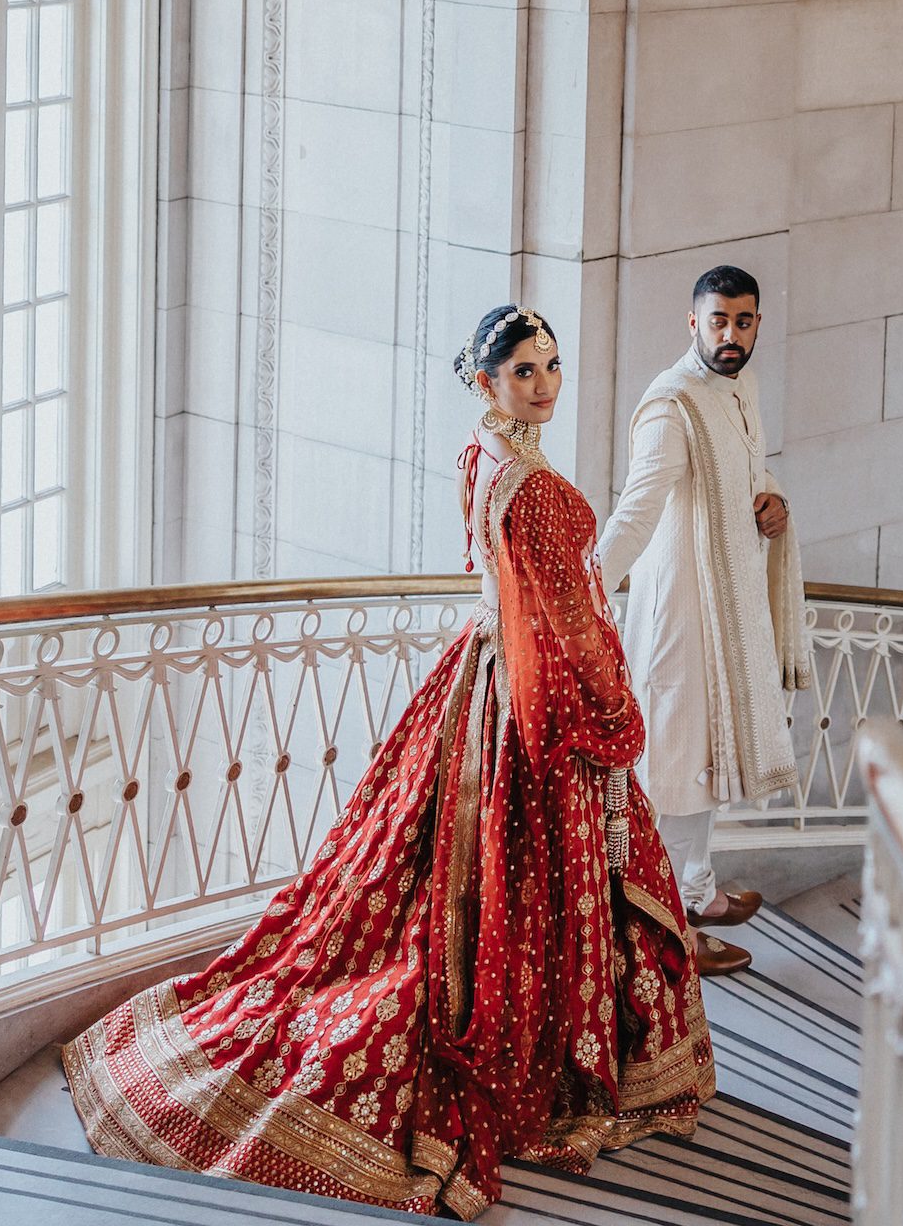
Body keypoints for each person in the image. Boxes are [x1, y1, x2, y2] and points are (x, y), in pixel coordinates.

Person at [63, 306, 714, 1219]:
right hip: (527, 694)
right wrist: (610, 719)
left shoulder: (482, 456)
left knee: (440, 884)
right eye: (525, 371)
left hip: (482, 674)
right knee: (522, 889)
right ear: (486, 381)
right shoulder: (537, 492)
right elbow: (565, 626)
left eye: (552, 366)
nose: (546, 385)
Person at [596, 265, 812, 978]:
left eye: (743, 321)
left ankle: (697, 891)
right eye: (717, 321)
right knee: (677, 771)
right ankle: (665, 930)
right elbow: (637, 510)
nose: (730, 334)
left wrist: (773, 501)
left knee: (708, 761)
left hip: (727, 606)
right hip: (680, 622)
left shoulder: (740, 386)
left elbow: (753, 469)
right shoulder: (671, 405)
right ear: (693, 323)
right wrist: (581, 587)